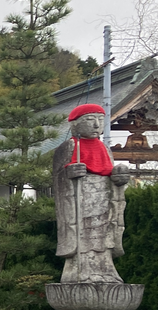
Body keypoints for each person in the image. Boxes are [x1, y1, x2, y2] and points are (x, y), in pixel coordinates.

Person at [53, 103, 129, 284]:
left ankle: (106, 270)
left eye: (100, 120)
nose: (96, 125)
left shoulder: (105, 148)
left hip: (103, 200)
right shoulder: (68, 147)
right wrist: (69, 173)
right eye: (90, 119)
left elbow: (110, 174)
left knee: (104, 236)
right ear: (75, 123)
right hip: (79, 201)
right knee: (83, 235)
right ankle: (80, 271)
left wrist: (119, 178)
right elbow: (57, 179)